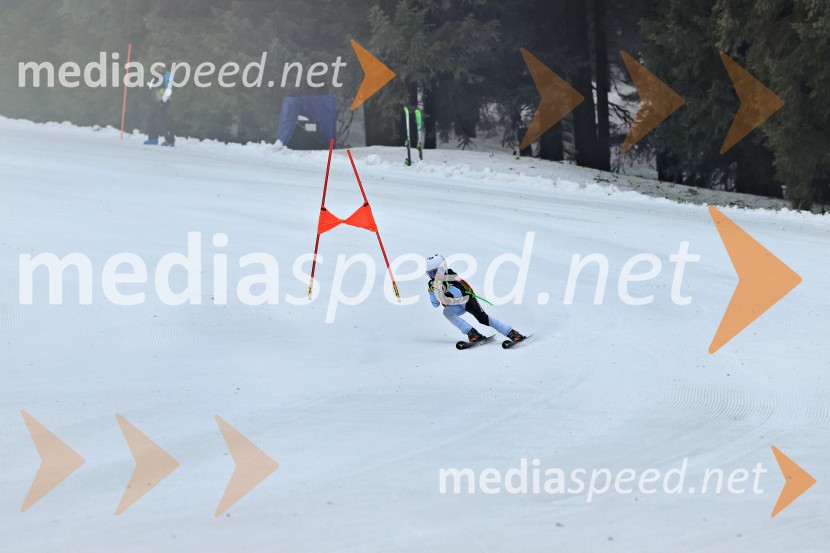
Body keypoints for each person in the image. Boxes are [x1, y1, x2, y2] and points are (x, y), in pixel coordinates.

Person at [425, 254, 526, 344]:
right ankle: (472, 332)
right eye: (430, 274)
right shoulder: (433, 283)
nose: (433, 277)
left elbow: (459, 294)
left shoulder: (451, 276)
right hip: (454, 305)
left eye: (434, 273)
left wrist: (448, 287)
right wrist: (431, 293)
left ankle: (511, 332)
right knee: (447, 312)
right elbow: (436, 304)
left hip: (467, 301)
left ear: (442, 269)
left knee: (483, 319)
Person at [143, 62, 175, 146]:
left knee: (162, 120)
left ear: (164, 68)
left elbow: (169, 89)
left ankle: (170, 140)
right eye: (156, 68)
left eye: (160, 67)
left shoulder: (167, 75)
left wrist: (163, 100)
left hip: (164, 100)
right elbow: (152, 88)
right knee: (149, 118)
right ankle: (153, 138)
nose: (158, 69)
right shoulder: (156, 76)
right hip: (156, 100)